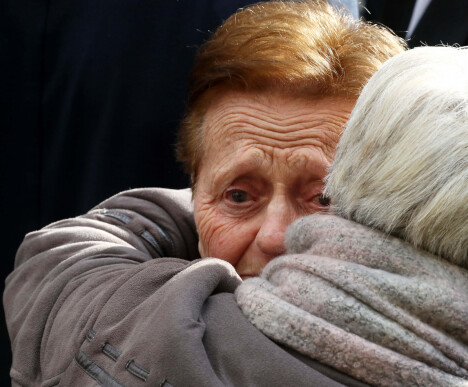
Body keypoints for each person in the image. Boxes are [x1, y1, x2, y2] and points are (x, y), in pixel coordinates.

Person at [3, 1, 406, 385]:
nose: (275, 237)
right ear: (194, 192)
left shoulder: (80, 292)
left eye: (322, 199)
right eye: (239, 197)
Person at [236, 46, 468, 386]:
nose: (274, 234)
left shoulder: (191, 331)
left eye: (316, 195)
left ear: (342, 183)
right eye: (239, 197)